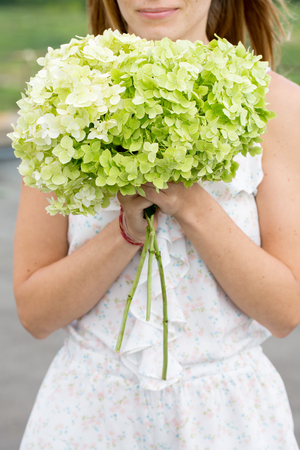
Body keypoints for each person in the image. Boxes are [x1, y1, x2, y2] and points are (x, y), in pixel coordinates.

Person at [15, 1, 300, 449]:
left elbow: (285, 312)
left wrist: (191, 204)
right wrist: (126, 230)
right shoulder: (61, 99)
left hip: (226, 418)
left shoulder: (277, 104)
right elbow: (35, 314)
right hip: (89, 414)